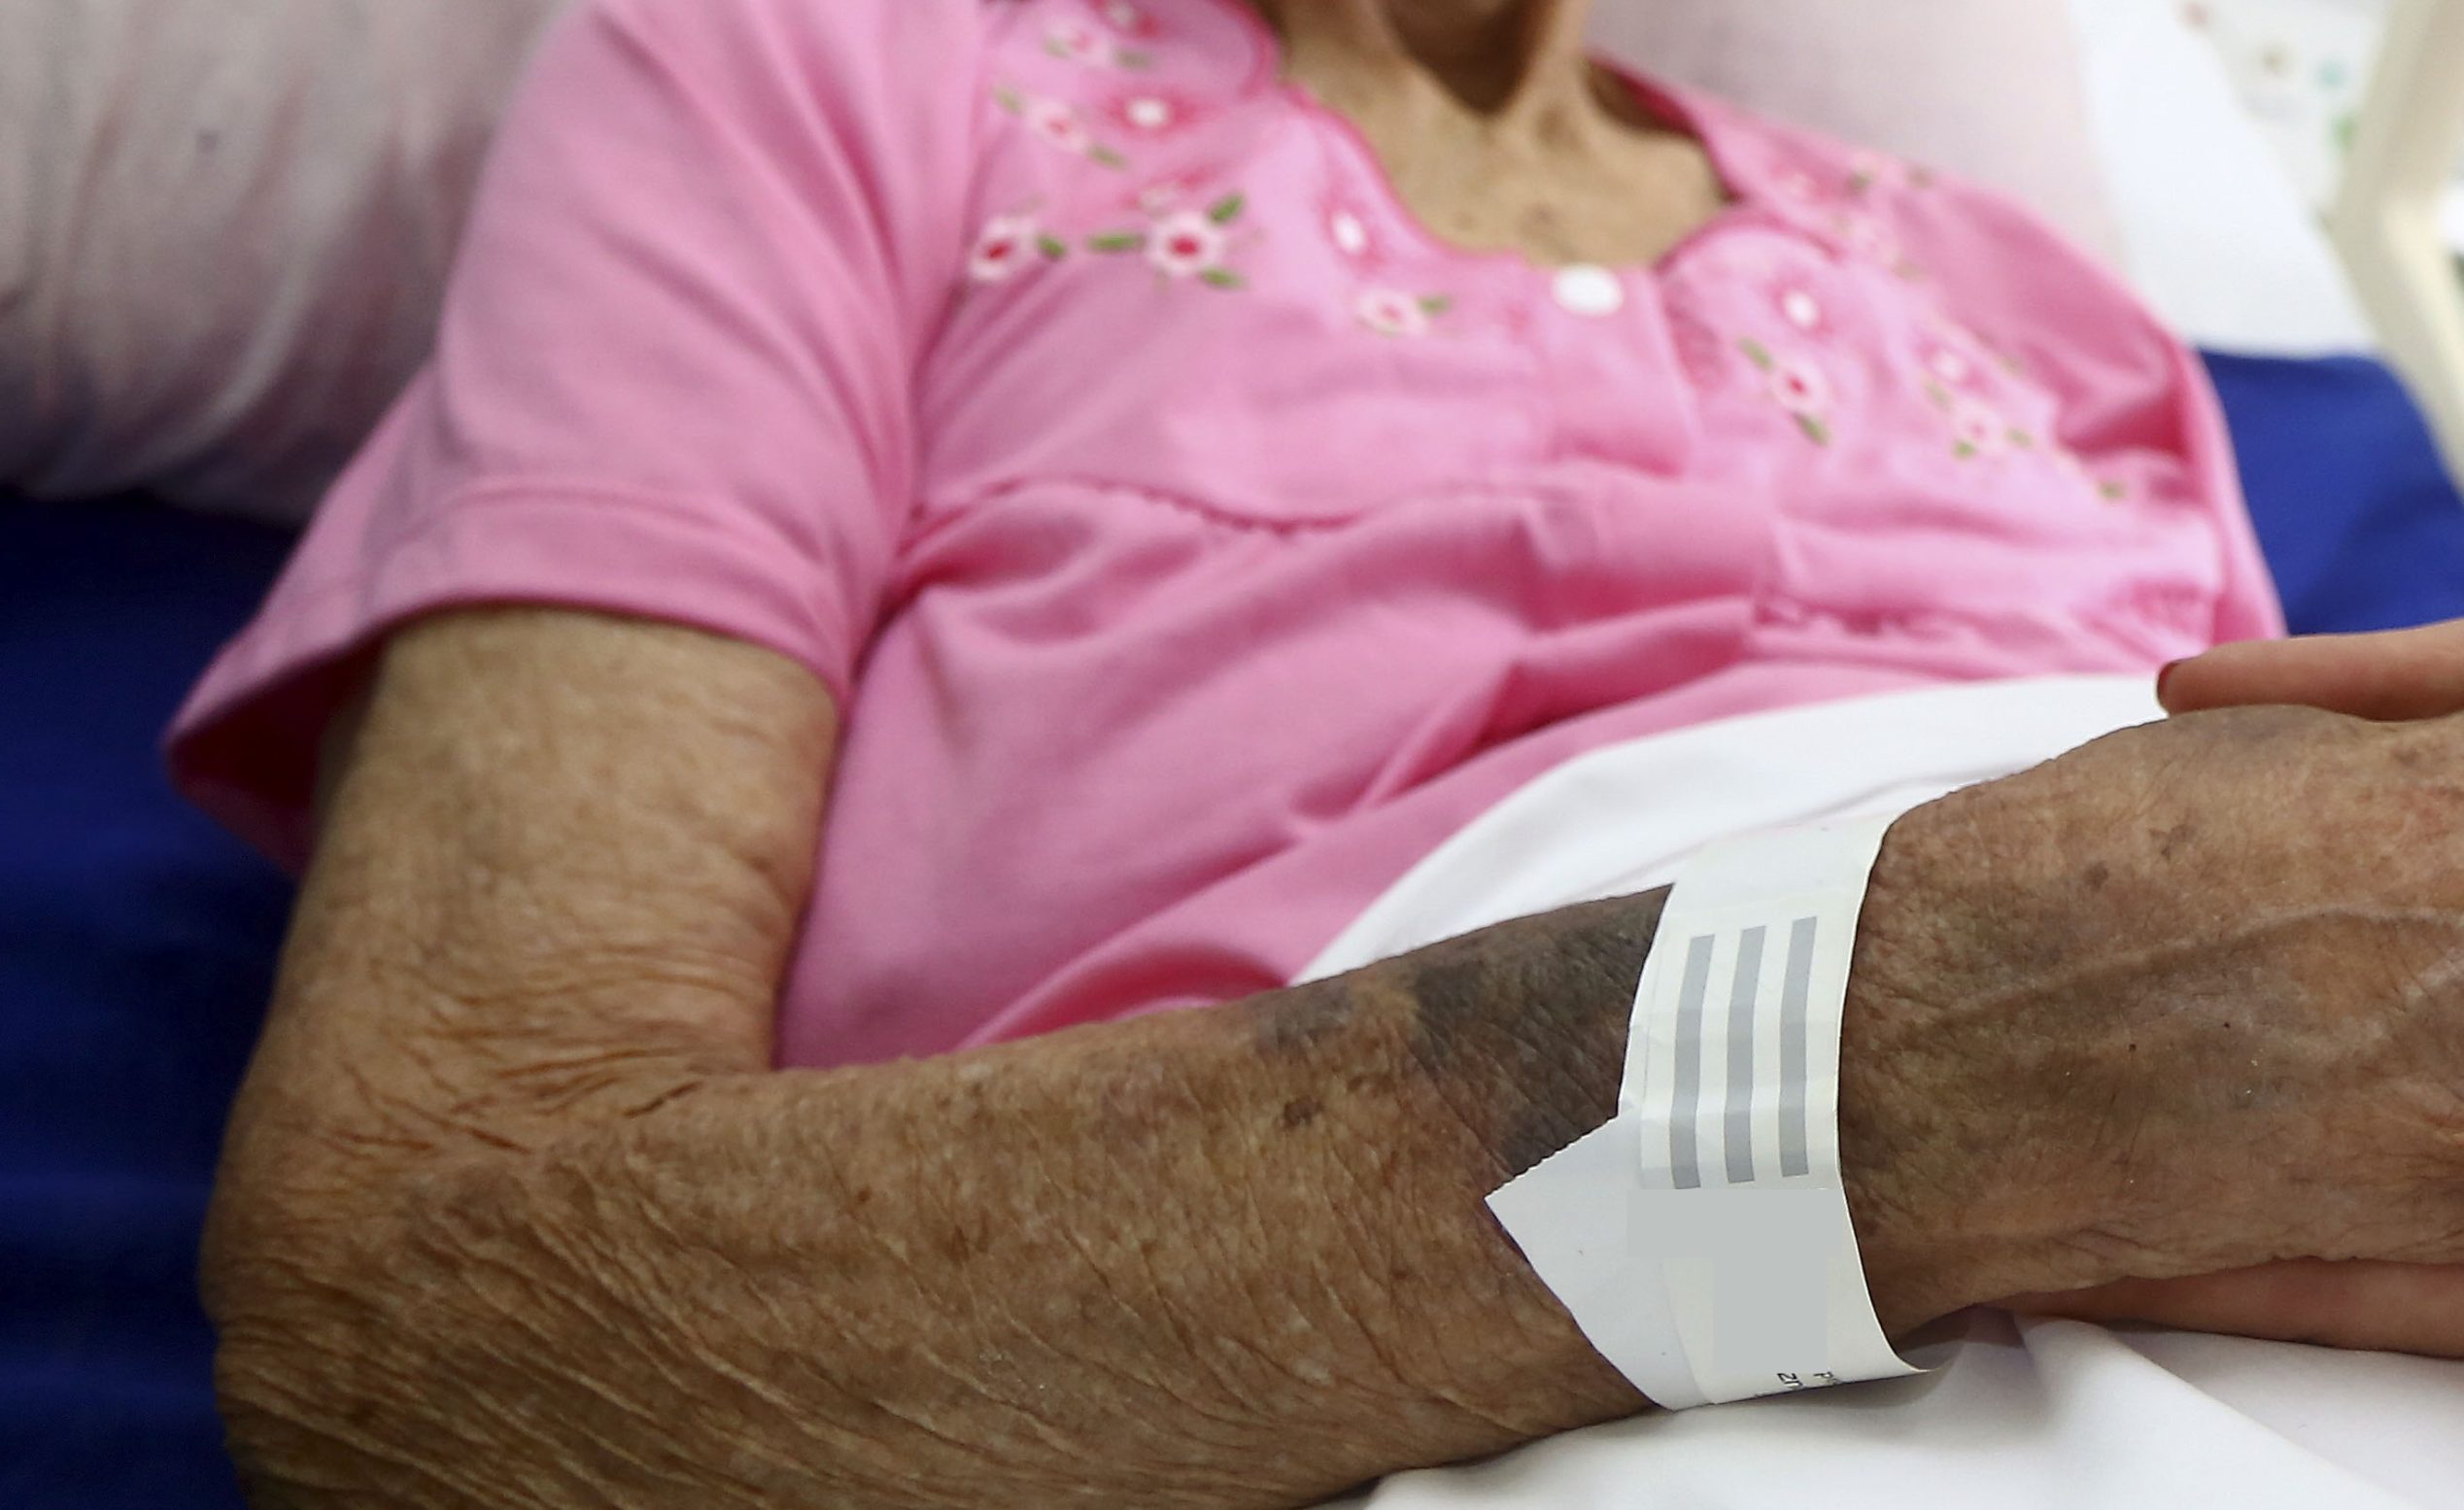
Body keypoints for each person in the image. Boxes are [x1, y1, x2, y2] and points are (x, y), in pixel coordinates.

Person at [168, 0, 2464, 1504]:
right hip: (1503, 1354)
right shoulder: (818, 66)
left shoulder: (2009, 279)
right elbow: (417, 1303)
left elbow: (2288, 916)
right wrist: (1909, 1073)